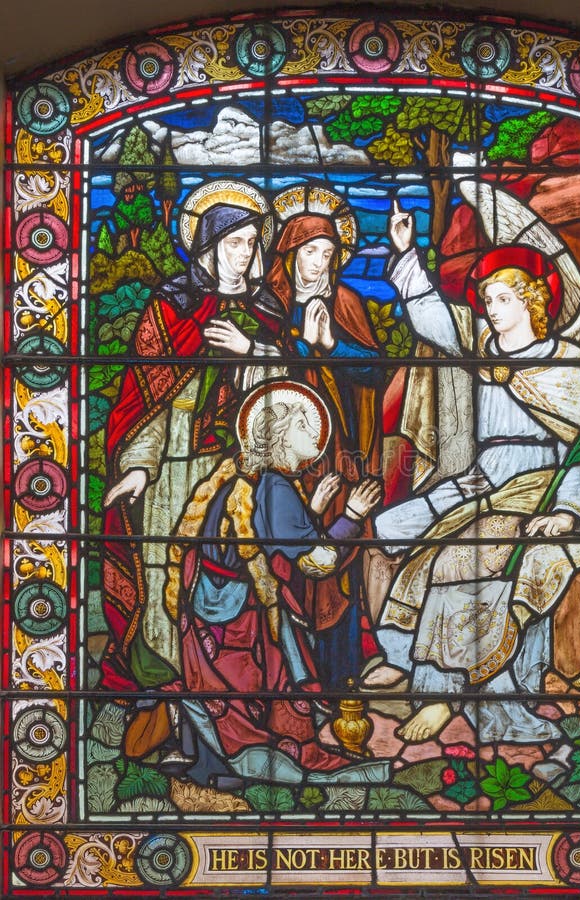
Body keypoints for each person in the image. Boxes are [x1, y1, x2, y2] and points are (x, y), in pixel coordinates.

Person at [367, 202, 580, 751]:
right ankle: (408, 663)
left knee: (474, 559)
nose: (491, 308)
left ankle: (442, 692)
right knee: (410, 541)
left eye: (503, 298)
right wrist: (406, 253)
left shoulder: (564, 364)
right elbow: (432, 316)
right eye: (487, 299)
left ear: (532, 301)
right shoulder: (483, 347)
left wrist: (565, 512)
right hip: (483, 485)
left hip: (541, 489)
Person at [101, 182, 285, 691]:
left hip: (243, 464)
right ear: (207, 244)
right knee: (166, 569)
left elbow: (289, 393)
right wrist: (139, 466)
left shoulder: (266, 310)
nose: (244, 254)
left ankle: (237, 687)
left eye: (251, 243)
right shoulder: (171, 308)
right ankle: (173, 688)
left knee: (239, 572)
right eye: (234, 242)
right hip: (176, 464)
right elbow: (147, 399)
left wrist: (252, 351)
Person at [165, 380, 387, 786]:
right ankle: (244, 769)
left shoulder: (245, 477)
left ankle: (210, 764)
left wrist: (313, 508)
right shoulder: (275, 486)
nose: (317, 437)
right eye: (306, 426)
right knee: (259, 706)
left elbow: (270, 538)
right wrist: (351, 515)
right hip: (243, 622)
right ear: (283, 438)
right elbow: (317, 562)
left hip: (211, 613)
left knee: (228, 702)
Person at [263, 211, 383, 688]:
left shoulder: (347, 302)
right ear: (289, 256)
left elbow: (376, 370)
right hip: (285, 455)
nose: (319, 262)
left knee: (342, 560)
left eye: (329, 254)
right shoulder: (270, 305)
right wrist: (299, 344)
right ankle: (293, 676)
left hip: (342, 455)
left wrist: (330, 344)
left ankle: (340, 675)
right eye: (310, 251)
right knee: (291, 558)